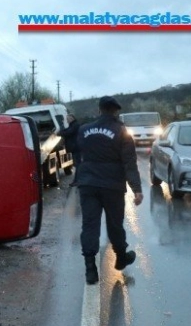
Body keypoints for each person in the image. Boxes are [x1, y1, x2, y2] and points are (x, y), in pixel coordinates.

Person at [76, 96, 143, 284]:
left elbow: (79, 151)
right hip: (112, 185)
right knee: (114, 224)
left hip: (88, 183)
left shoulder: (84, 129)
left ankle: (90, 270)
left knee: (90, 224)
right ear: (116, 112)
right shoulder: (122, 131)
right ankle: (121, 257)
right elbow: (129, 162)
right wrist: (136, 189)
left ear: (99, 110)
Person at [57, 113, 82, 186]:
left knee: (78, 165)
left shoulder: (75, 125)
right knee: (77, 165)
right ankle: (78, 180)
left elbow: (68, 132)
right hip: (75, 148)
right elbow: (67, 130)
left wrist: (59, 133)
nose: (67, 120)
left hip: (76, 148)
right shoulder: (73, 125)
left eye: (68, 119)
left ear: (72, 118)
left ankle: (78, 181)